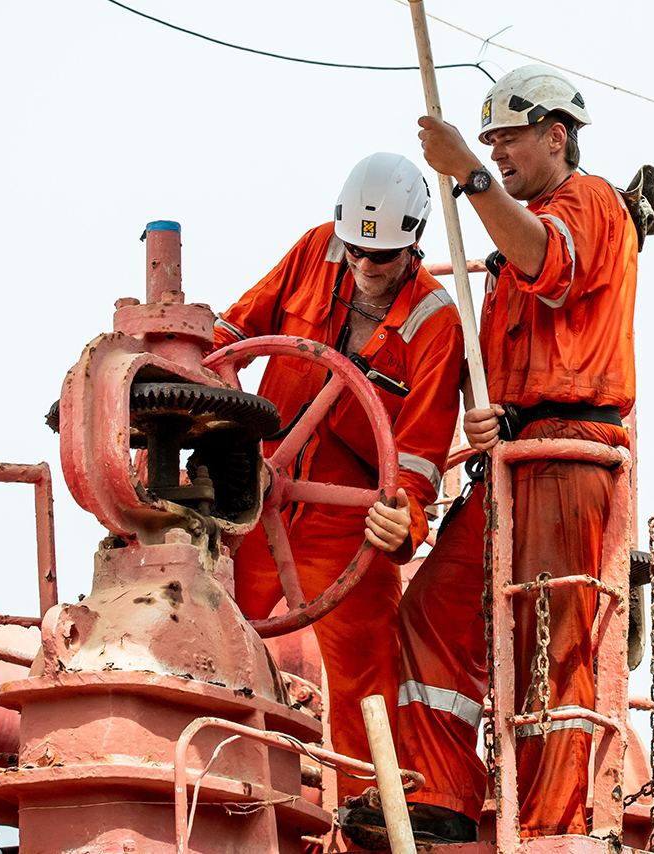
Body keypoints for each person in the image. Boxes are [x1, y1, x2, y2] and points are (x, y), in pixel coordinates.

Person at [342, 66, 639, 846]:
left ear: (558, 134)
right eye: (491, 142)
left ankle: (550, 827)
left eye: (509, 138)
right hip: (514, 457)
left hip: (570, 459)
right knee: (431, 612)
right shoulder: (516, 231)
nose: (498, 151)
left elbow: (549, 265)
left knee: (550, 641)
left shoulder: (592, 203)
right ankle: (439, 792)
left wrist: (466, 177)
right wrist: (496, 415)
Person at [209, 153, 465, 800]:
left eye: (379, 256)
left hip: (345, 520)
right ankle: (195, 789)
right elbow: (233, 334)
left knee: (361, 679)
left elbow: (419, 454)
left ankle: (364, 817)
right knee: (201, 629)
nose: (362, 264)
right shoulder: (315, 253)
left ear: (413, 248)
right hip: (253, 494)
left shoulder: (436, 326)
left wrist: (400, 517)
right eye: (354, 248)